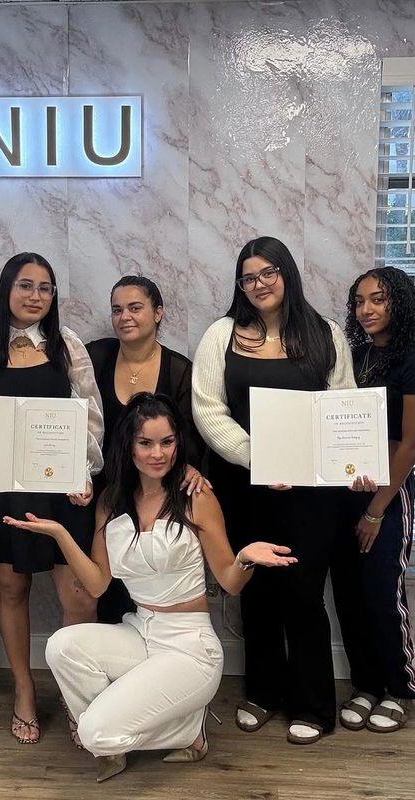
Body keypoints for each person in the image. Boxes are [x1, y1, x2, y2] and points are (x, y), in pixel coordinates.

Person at [4, 393, 296, 782]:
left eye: (167, 441)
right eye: (146, 443)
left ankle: (185, 730)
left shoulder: (196, 496)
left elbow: (230, 581)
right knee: (61, 645)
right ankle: (120, 733)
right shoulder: (110, 501)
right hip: (140, 631)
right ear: (130, 445)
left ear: (179, 442)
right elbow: (96, 583)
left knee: (92, 732)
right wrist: (60, 534)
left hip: (191, 646)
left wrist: (244, 557)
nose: (158, 453)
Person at [192, 236, 356, 744]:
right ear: (239, 284)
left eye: (269, 273)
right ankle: (263, 693)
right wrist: (255, 456)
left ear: (287, 273)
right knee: (256, 589)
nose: (259, 284)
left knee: (304, 594)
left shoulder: (326, 334)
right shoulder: (222, 334)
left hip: (312, 494)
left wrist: (355, 462)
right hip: (246, 487)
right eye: (249, 276)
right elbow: (207, 409)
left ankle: (312, 705)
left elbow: (344, 407)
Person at [0, 252, 104, 743]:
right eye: (25, 285)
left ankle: (79, 693)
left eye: (45, 288)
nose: (35, 296)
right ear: (6, 290)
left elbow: (91, 418)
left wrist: (85, 471)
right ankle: (23, 690)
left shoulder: (68, 346)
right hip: (1, 492)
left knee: (77, 596)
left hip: (62, 491)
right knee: (12, 590)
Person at [86, 275, 207, 623]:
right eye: (117, 309)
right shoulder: (96, 356)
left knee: (148, 584)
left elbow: (188, 437)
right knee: (107, 589)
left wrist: (191, 468)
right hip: (101, 494)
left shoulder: (179, 370)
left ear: (158, 312)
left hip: (153, 496)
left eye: (135, 308)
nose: (125, 316)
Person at [332, 266, 415, 732]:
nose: (366, 310)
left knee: (383, 594)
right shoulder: (357, 356)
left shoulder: (410, 358)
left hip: (389, 498)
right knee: (348, 593)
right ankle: (366, 685)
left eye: (378, 299)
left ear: (399, 302)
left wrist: (375, 510)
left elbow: (410, 444)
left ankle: (399, 689)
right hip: (346, 492)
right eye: (360, 301)